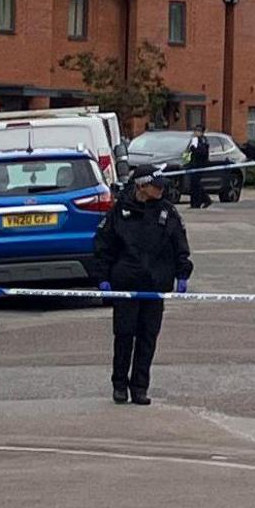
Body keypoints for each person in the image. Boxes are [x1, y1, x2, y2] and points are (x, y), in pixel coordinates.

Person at [92, 165, 193, 405]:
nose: (160, 190)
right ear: (141, 187)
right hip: (126, 283)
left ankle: (140, 387)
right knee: (124, 335)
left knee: (148, 336)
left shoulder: (167, 212)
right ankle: (119, 384)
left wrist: (182, 273)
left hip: (156, 284)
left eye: (161, 186)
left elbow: (180, 243)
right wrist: (103, 277)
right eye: (155, 186)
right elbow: (103, 246)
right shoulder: (119, 211)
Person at [183, 124, 212, 210]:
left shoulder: (203, 141)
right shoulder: (193, 139)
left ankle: (200, 202)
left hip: (199, 165)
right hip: (192, 165)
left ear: (202, 132)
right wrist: (186, 161)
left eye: (199, 131)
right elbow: (188, 151)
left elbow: (202, 153)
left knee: (196, 184)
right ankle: (196, 203)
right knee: (193, 184)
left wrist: (195, 149)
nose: (197, 132)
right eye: (196, 130)